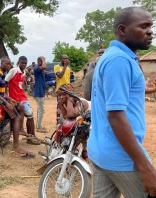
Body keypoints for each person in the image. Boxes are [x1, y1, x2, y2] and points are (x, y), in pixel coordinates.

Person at [87, 7, 156, 198]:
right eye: (144, 26)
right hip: (122, 157)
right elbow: (116, 116)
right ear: (123, 30)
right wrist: (145, 166)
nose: (150, 31)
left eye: (151, 26)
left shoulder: (114, 57)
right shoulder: (119, 60)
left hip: (102, 152)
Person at [0, 56, 34, 158]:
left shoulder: (2, 73)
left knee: (21, 108)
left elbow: (2, 91)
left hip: (2, 99)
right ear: (2, 64)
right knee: (17, 117)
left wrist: (9, 98)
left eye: (10, 64)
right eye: (7, 64)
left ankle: (21, 129)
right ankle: (16, 145)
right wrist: (7, 102)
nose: (9, 65)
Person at [5, 56, 41, 145]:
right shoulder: (14, 71)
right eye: (22, 63)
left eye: (25, 63)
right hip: (16, 98)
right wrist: (6, 95)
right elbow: (5, 81)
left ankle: (32, 136)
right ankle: (30, 137)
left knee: (30, 116)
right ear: (18, 62)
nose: (24, 65)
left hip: (22, 97)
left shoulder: (24, 72)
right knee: (29, 115)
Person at [54, 54, 71, 121]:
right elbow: (60, 75)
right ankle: (58, 121)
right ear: (60, 59)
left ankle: (66, 121)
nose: (66, 60)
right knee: (59, 106)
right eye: (64, 58)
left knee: (68, 106)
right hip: (60, 90)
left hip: (67, 90)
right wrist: (65, 66)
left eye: (67, 58)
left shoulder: (68, 69)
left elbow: (68, 80)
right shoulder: (57, 67)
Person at [33, 56, 47, 133]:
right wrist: (43, 59)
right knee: (41, 110)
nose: (44, 62)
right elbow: (44, 66)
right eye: (43, 61)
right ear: (40, 61)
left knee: (39, 109)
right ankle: (38, 127)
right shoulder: (36, 68)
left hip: (40, 91)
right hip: (39, 92)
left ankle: (39, 125)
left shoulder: (39, 69)